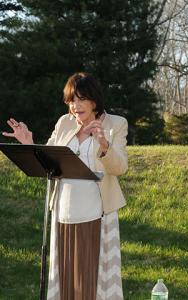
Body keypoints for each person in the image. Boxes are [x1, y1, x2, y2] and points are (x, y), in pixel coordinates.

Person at [2, 72, 128, 299]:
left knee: (92, 281)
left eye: (80, 99)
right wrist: (29, 143)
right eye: (71, 100)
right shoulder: (64, 122)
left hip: (96, 214)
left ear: (94, 100)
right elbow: (48, 162)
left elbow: (119, 168)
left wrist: (103, 143)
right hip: (63, 212)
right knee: (66, 281)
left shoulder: (115, 124)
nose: (75, 106)